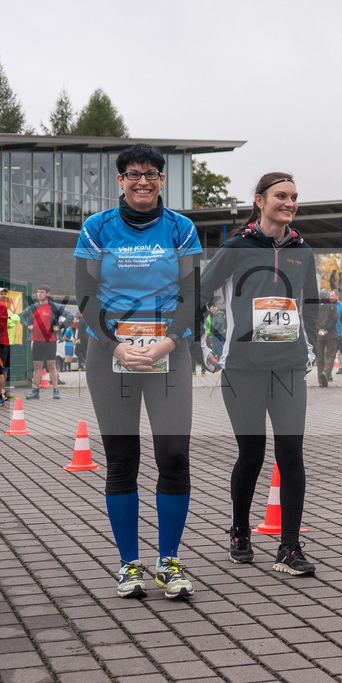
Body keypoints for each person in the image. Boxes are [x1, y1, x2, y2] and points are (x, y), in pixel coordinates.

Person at [74, 143, 200, 599]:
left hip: (170, 352)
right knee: (122, 461)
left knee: (173, 456)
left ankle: (169, 562)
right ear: (120, 181)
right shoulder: (96, 228)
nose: (142, 180)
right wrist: (115, 345)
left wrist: (169, 341)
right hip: (110, 356)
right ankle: (129, 565)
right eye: (133, 173)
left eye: (151, 173)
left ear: (163, 180)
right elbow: (85, 294)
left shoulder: (181, 229)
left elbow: (191, 295)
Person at [197, 171, 318, 576]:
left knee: (291, 455)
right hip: (243, 369)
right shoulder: (237, 247)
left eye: (294, 197)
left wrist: (311, 346)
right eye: (281, 196)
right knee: (251, 453)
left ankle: (289, 546)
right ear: (260, 200)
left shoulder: (303, 250)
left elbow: (311, 303)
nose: (289, 202)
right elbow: (200, 292)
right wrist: (205, 344)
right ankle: (239, 532)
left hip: (287, 367)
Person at [21, 285, 71, 399]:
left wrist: (60, 326)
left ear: (48, 294)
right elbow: (21, 316)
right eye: (38, 292)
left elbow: (70, 315)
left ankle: (56, 390)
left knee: (51, 365)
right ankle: (35, 391)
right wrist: (27, 325)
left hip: (50, 340)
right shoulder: (33, 307)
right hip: (37, 340)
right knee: (37, 366)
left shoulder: (54, 307)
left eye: (42, 292)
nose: (39, 294)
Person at [315, 289, 338, 386]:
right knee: (331, 356)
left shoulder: (316, 307)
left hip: (318, 335)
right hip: (331, 335)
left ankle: (321, 381)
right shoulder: (332, 306)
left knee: (320, 358)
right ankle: (325, 373)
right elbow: (334, 319)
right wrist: (327, 329)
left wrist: (319, 330)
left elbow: (313, 319)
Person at [0, 287, 13, 405]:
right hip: (4, 343)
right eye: (1, 294)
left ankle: (2, 394)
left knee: (2, 369)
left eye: (4, 294)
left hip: (3, 343)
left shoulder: (3, 307)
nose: (4, 296)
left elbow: (15, 319)